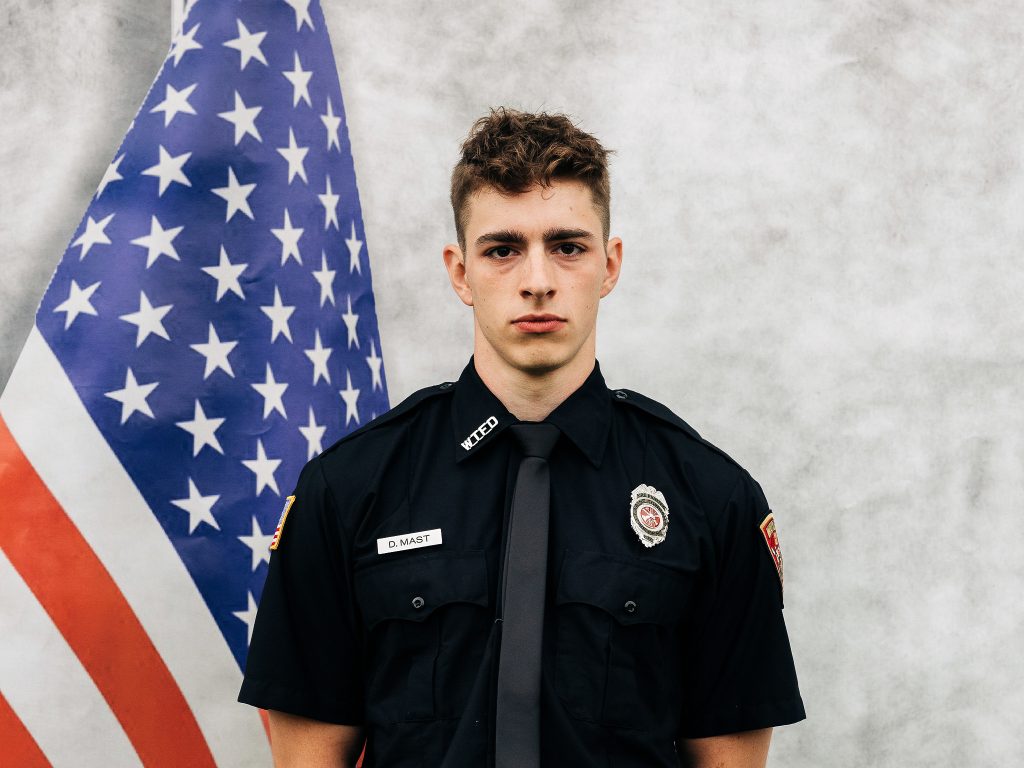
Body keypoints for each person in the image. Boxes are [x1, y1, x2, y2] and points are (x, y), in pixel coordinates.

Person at [239, 108, 805, 767]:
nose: (537, 281)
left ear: (610, 264)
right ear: (459, 272)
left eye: (568, 246)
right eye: (503, 250)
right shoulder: (349, 490)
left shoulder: (712, 499)